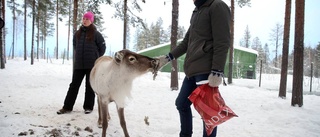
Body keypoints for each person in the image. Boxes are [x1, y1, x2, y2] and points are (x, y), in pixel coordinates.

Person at [157, 0, 230, 136]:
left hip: (207, 71)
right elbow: (186, 42)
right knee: (181, 103)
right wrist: (169, 57)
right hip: (192, 70)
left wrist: (217, 70)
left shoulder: (217, 6)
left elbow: (223, 41)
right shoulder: (198, 11)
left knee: (208, 113)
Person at [57, 11, 106, 115]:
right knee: (74, 85)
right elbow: (75, 46)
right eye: (84, 18)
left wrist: (96, 57)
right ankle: (67, 107)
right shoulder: (77, 34)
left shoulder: (96, 34)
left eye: (87, 19)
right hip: (79, 65)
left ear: (91, 21)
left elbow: (102, 48)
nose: (84, 20)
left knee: (89, 87)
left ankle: (88, 107)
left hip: (91, 65)